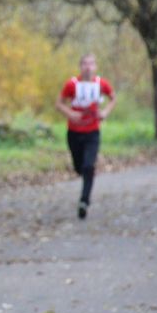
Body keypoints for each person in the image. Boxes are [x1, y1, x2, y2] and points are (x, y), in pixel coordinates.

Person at [55, 53, 116, 219]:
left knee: (89, 166)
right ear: (80, 67)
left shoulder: (101, 83)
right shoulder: (72, 84)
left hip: (92, 132)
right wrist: (70, 114)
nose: (88, 67)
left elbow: (113, 98)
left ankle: (84, 201)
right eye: (85, 64)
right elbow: (59, 103)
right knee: (79, 167)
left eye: (91, 64)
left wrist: (105, 113)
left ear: (95, 66)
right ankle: (84, 181)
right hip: (74, 132)